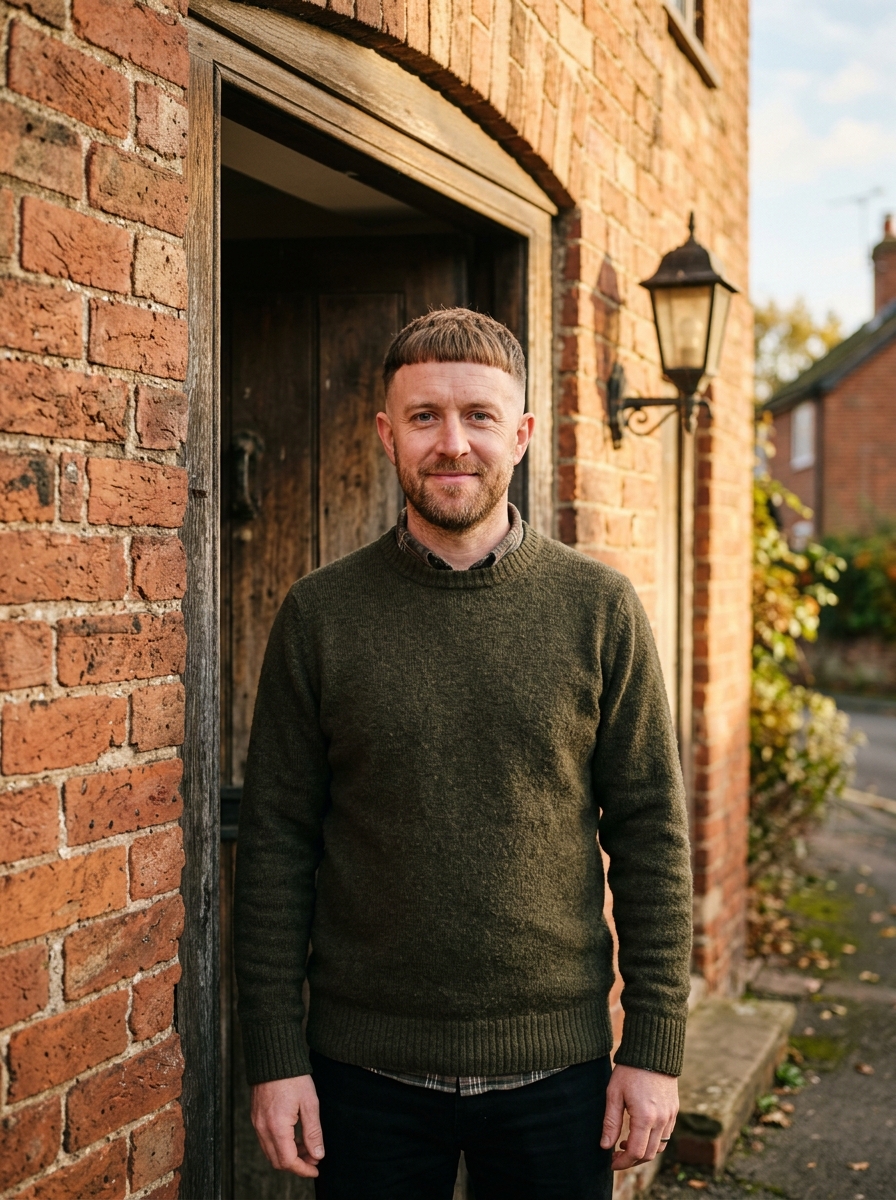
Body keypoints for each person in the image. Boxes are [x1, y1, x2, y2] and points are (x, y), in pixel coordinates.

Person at [234, 308, 692, 1200]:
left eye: (479, 416)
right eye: (425, 417)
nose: (453, 444)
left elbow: (652, 839)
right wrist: (275, 1055)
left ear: (520, 434)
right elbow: (278, 844)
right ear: (386, 434)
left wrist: (654, 1048)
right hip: (361, 1074)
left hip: (559, 1074)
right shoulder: (319, 616)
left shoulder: (599, 610)